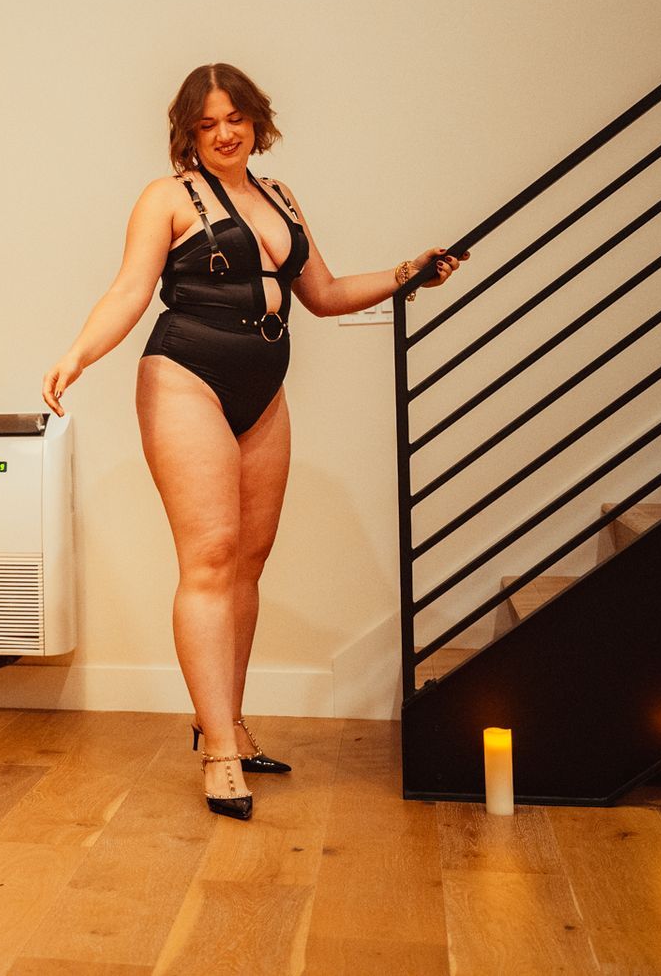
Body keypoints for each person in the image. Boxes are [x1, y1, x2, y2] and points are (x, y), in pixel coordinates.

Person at [41, 64, 463, 820]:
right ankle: (219, 754)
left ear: (256, 120)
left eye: (235, 117)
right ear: (188, 132)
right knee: (208, 556)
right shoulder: (167, 197)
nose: (225, 132)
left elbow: (325, 296)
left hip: (264, 390)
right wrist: (76, 353)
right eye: (208, 124)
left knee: (247, 561)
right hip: (185, 375)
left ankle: (226, 717)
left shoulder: (281, 198)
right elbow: (130, 290)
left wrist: (409, 273)